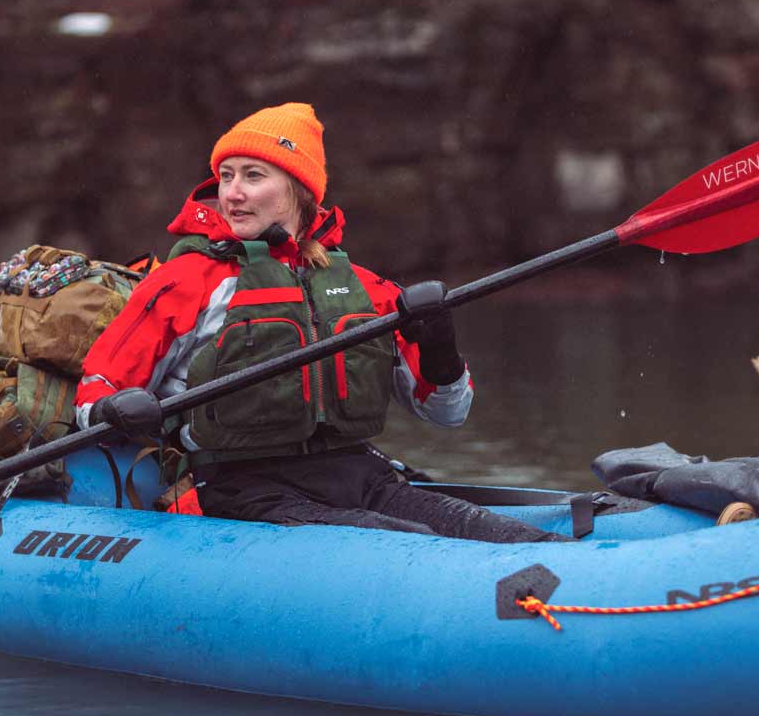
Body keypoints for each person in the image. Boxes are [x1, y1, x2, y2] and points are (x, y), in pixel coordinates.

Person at [76, 103, 569, 542]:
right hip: (238, 487)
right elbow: (96, 388)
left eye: (252, 176)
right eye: (226, 176)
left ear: (297, 190)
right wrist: (114, 410)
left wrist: (440, 345)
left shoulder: (367, 288)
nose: (232, 194)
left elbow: (446, 413)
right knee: (398, 542)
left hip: (356, 476)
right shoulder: (188, 280)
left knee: (501, 536)